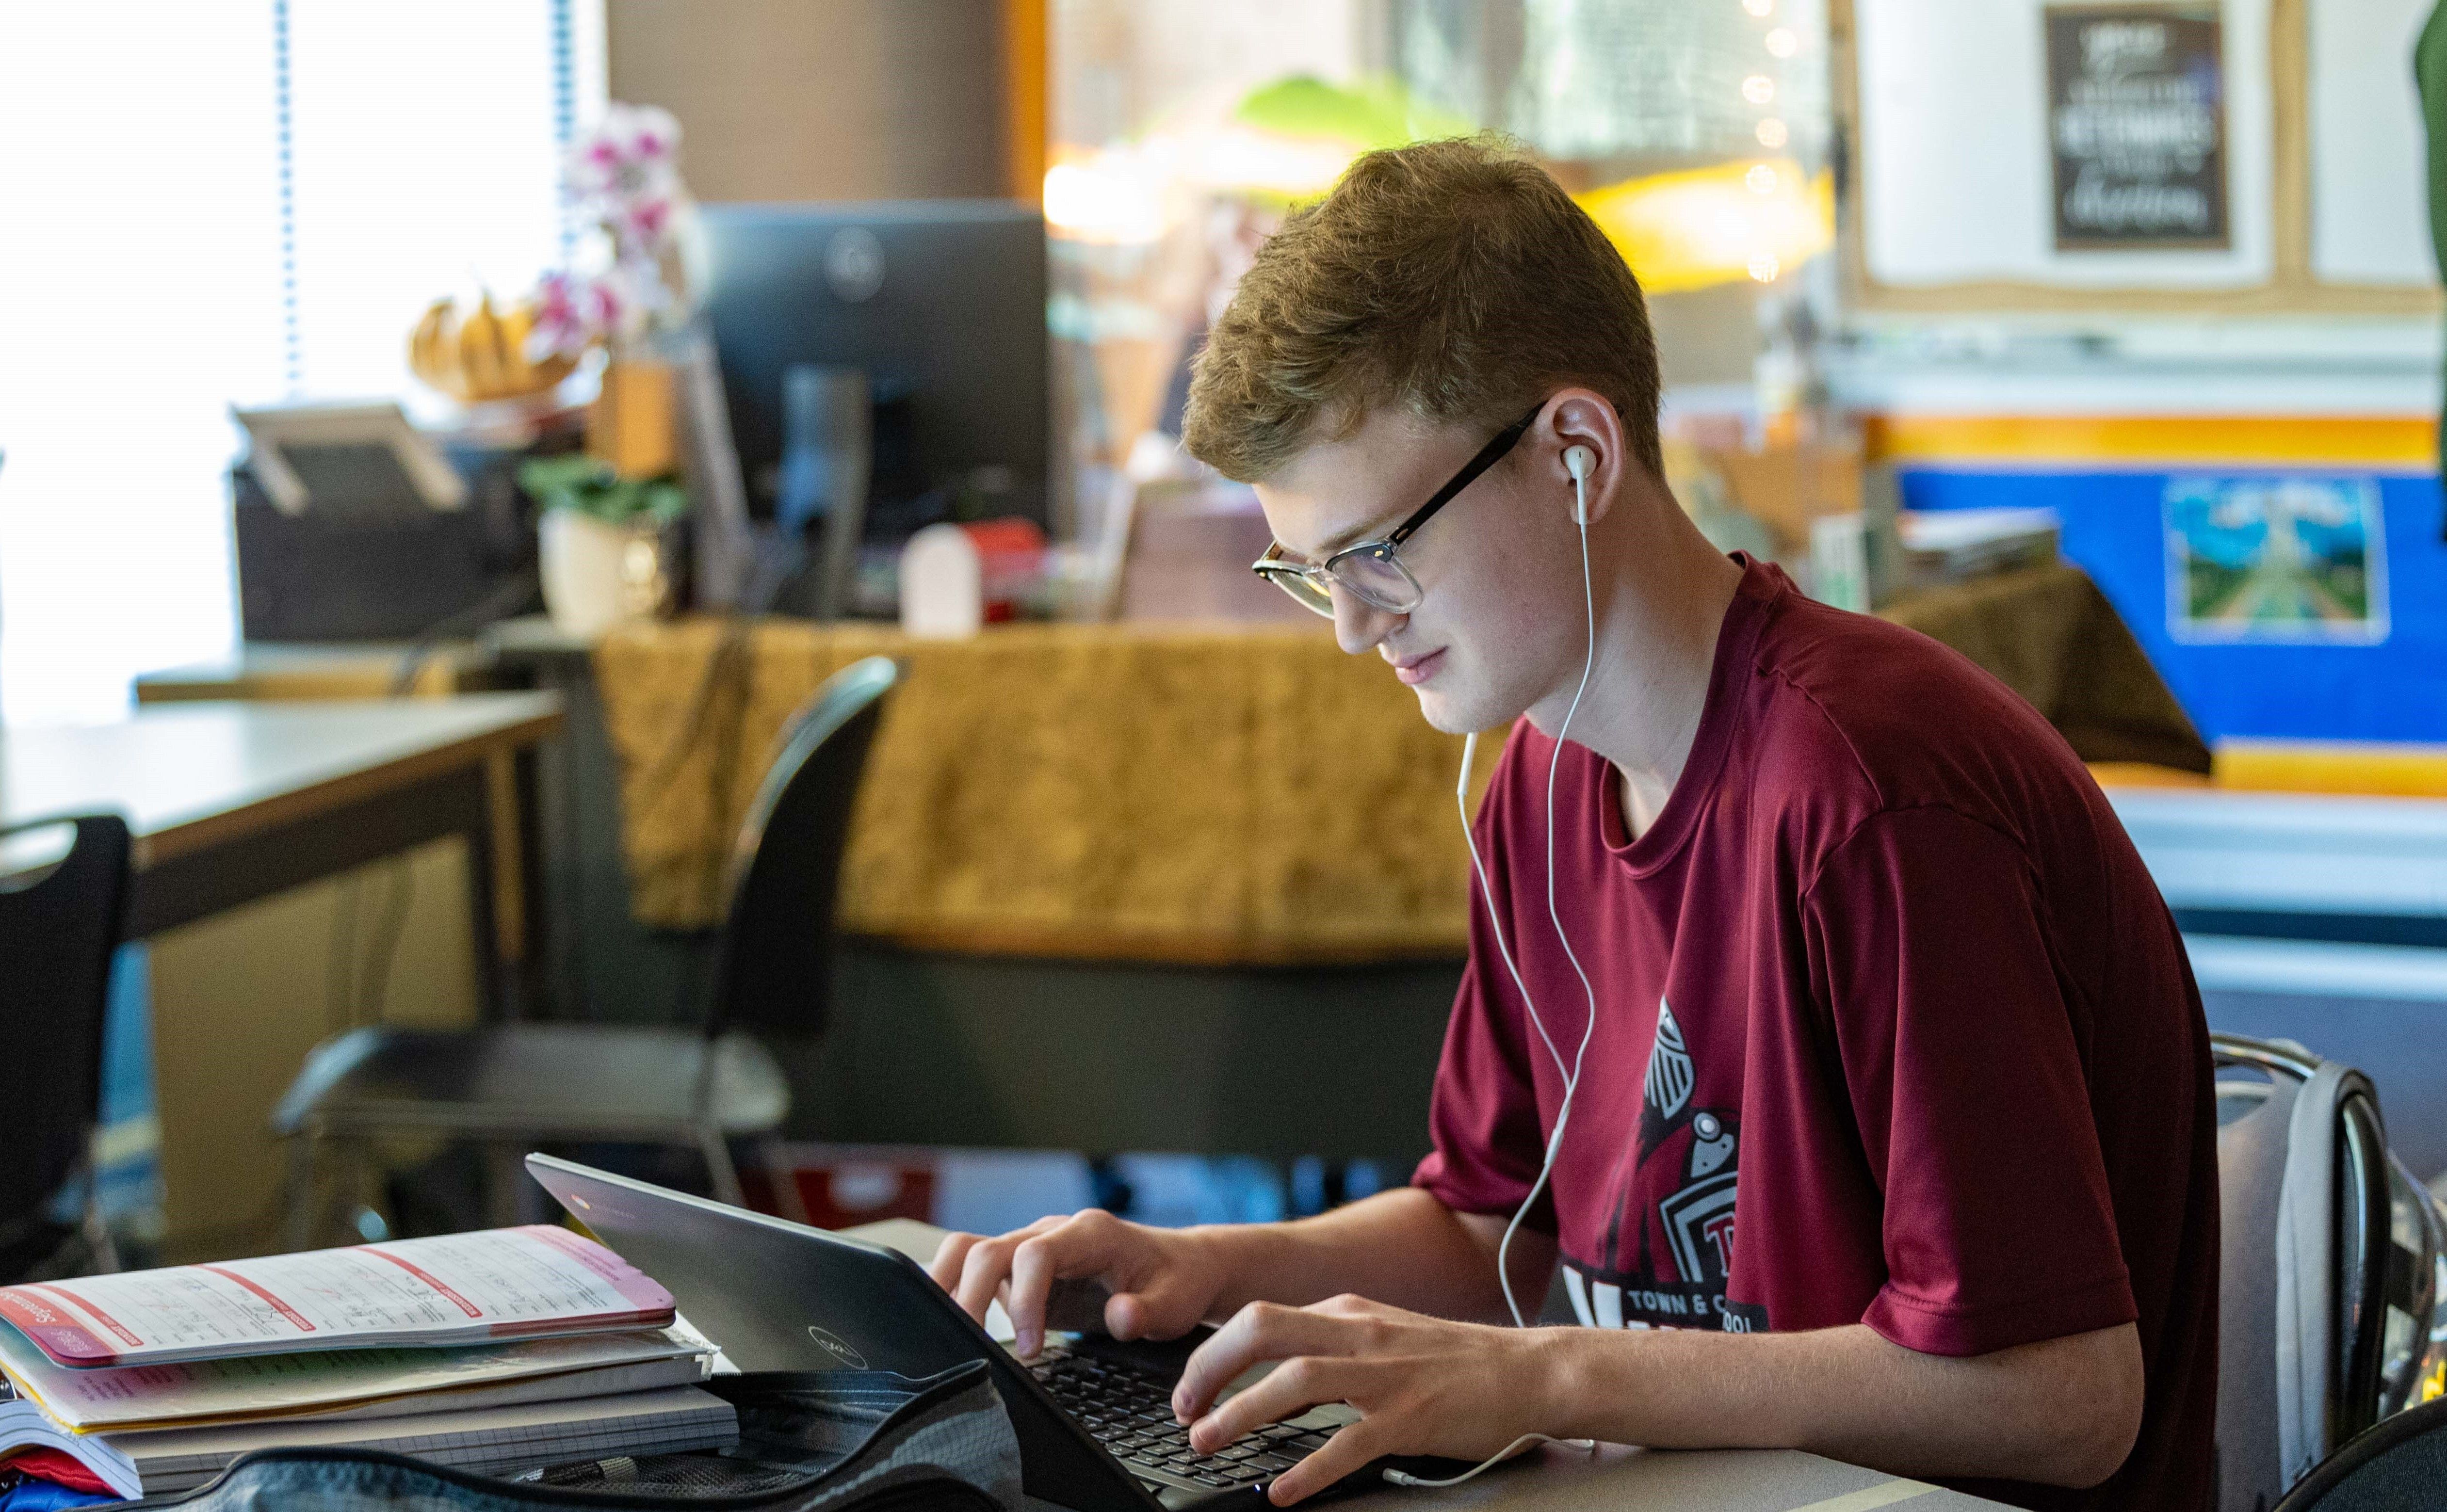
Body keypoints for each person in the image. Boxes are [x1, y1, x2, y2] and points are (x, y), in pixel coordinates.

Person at [931, 137, 2217, 1511]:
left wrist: (1545, 1375)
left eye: (1376, 552)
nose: (1355, 629)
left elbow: (2068, 1398)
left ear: (1578, 454)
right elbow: (1492, 1225)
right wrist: (1216, 1267)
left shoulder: (1871, 796)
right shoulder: (1540, 780)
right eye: (1311, 574)